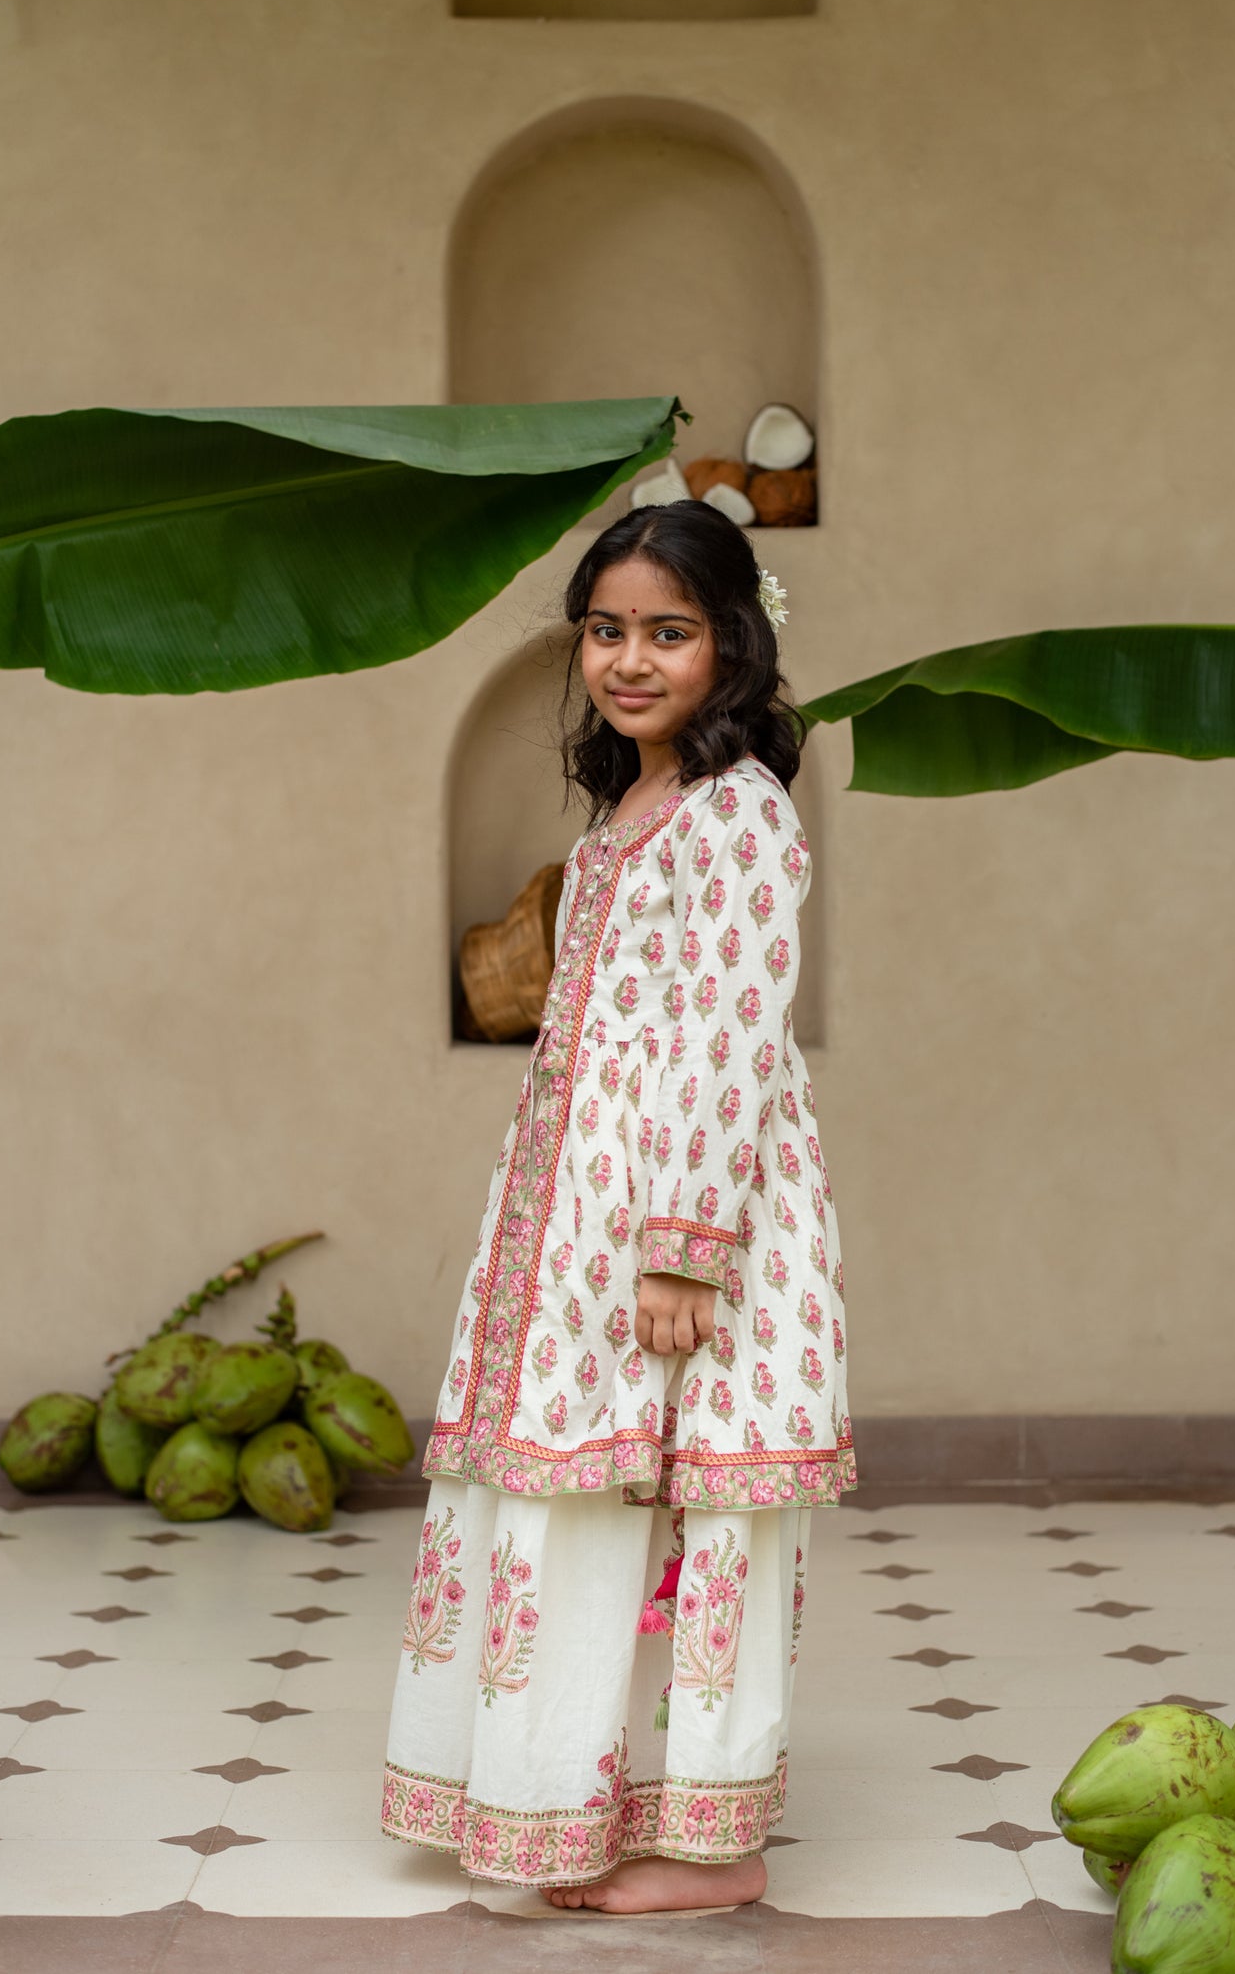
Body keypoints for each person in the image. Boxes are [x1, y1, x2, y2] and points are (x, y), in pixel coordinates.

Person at [381, 496, 855, 1913]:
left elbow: (727, 1031)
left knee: (678, 1496)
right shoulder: (630, 811)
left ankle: (712, 1847)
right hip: (579, 1209)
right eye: (605, 629)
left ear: (732, 646)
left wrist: (683, 1254)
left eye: (669, 631)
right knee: (584, 1484)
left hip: (684, 1221)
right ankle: (571, 1792)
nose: (630, 659)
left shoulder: (740, 813)